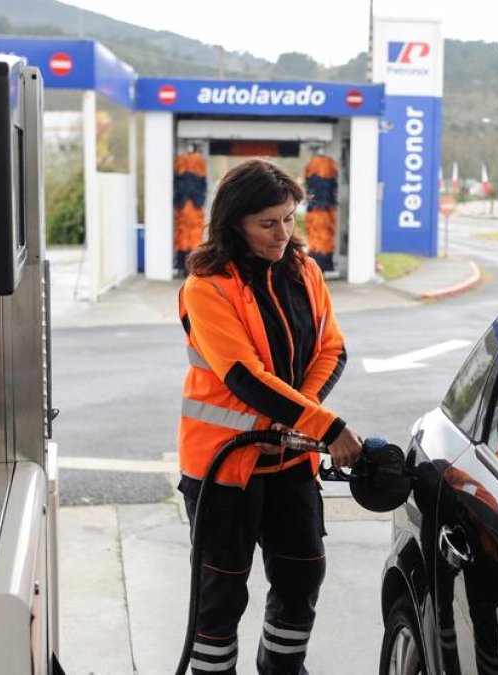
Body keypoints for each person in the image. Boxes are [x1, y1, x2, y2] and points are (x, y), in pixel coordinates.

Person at [176, 158, 363, 674]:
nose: (283, 233)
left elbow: (332, 349)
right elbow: (245, 377)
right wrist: (325, 426)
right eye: (268, 223)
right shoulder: (207, 286)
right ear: (235, 222)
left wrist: (300, 417)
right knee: (221, 595)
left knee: (303, 575)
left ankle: (282, 670)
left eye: (289, 218)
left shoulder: (304, 271)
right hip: (223, 469)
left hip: (290, 464)